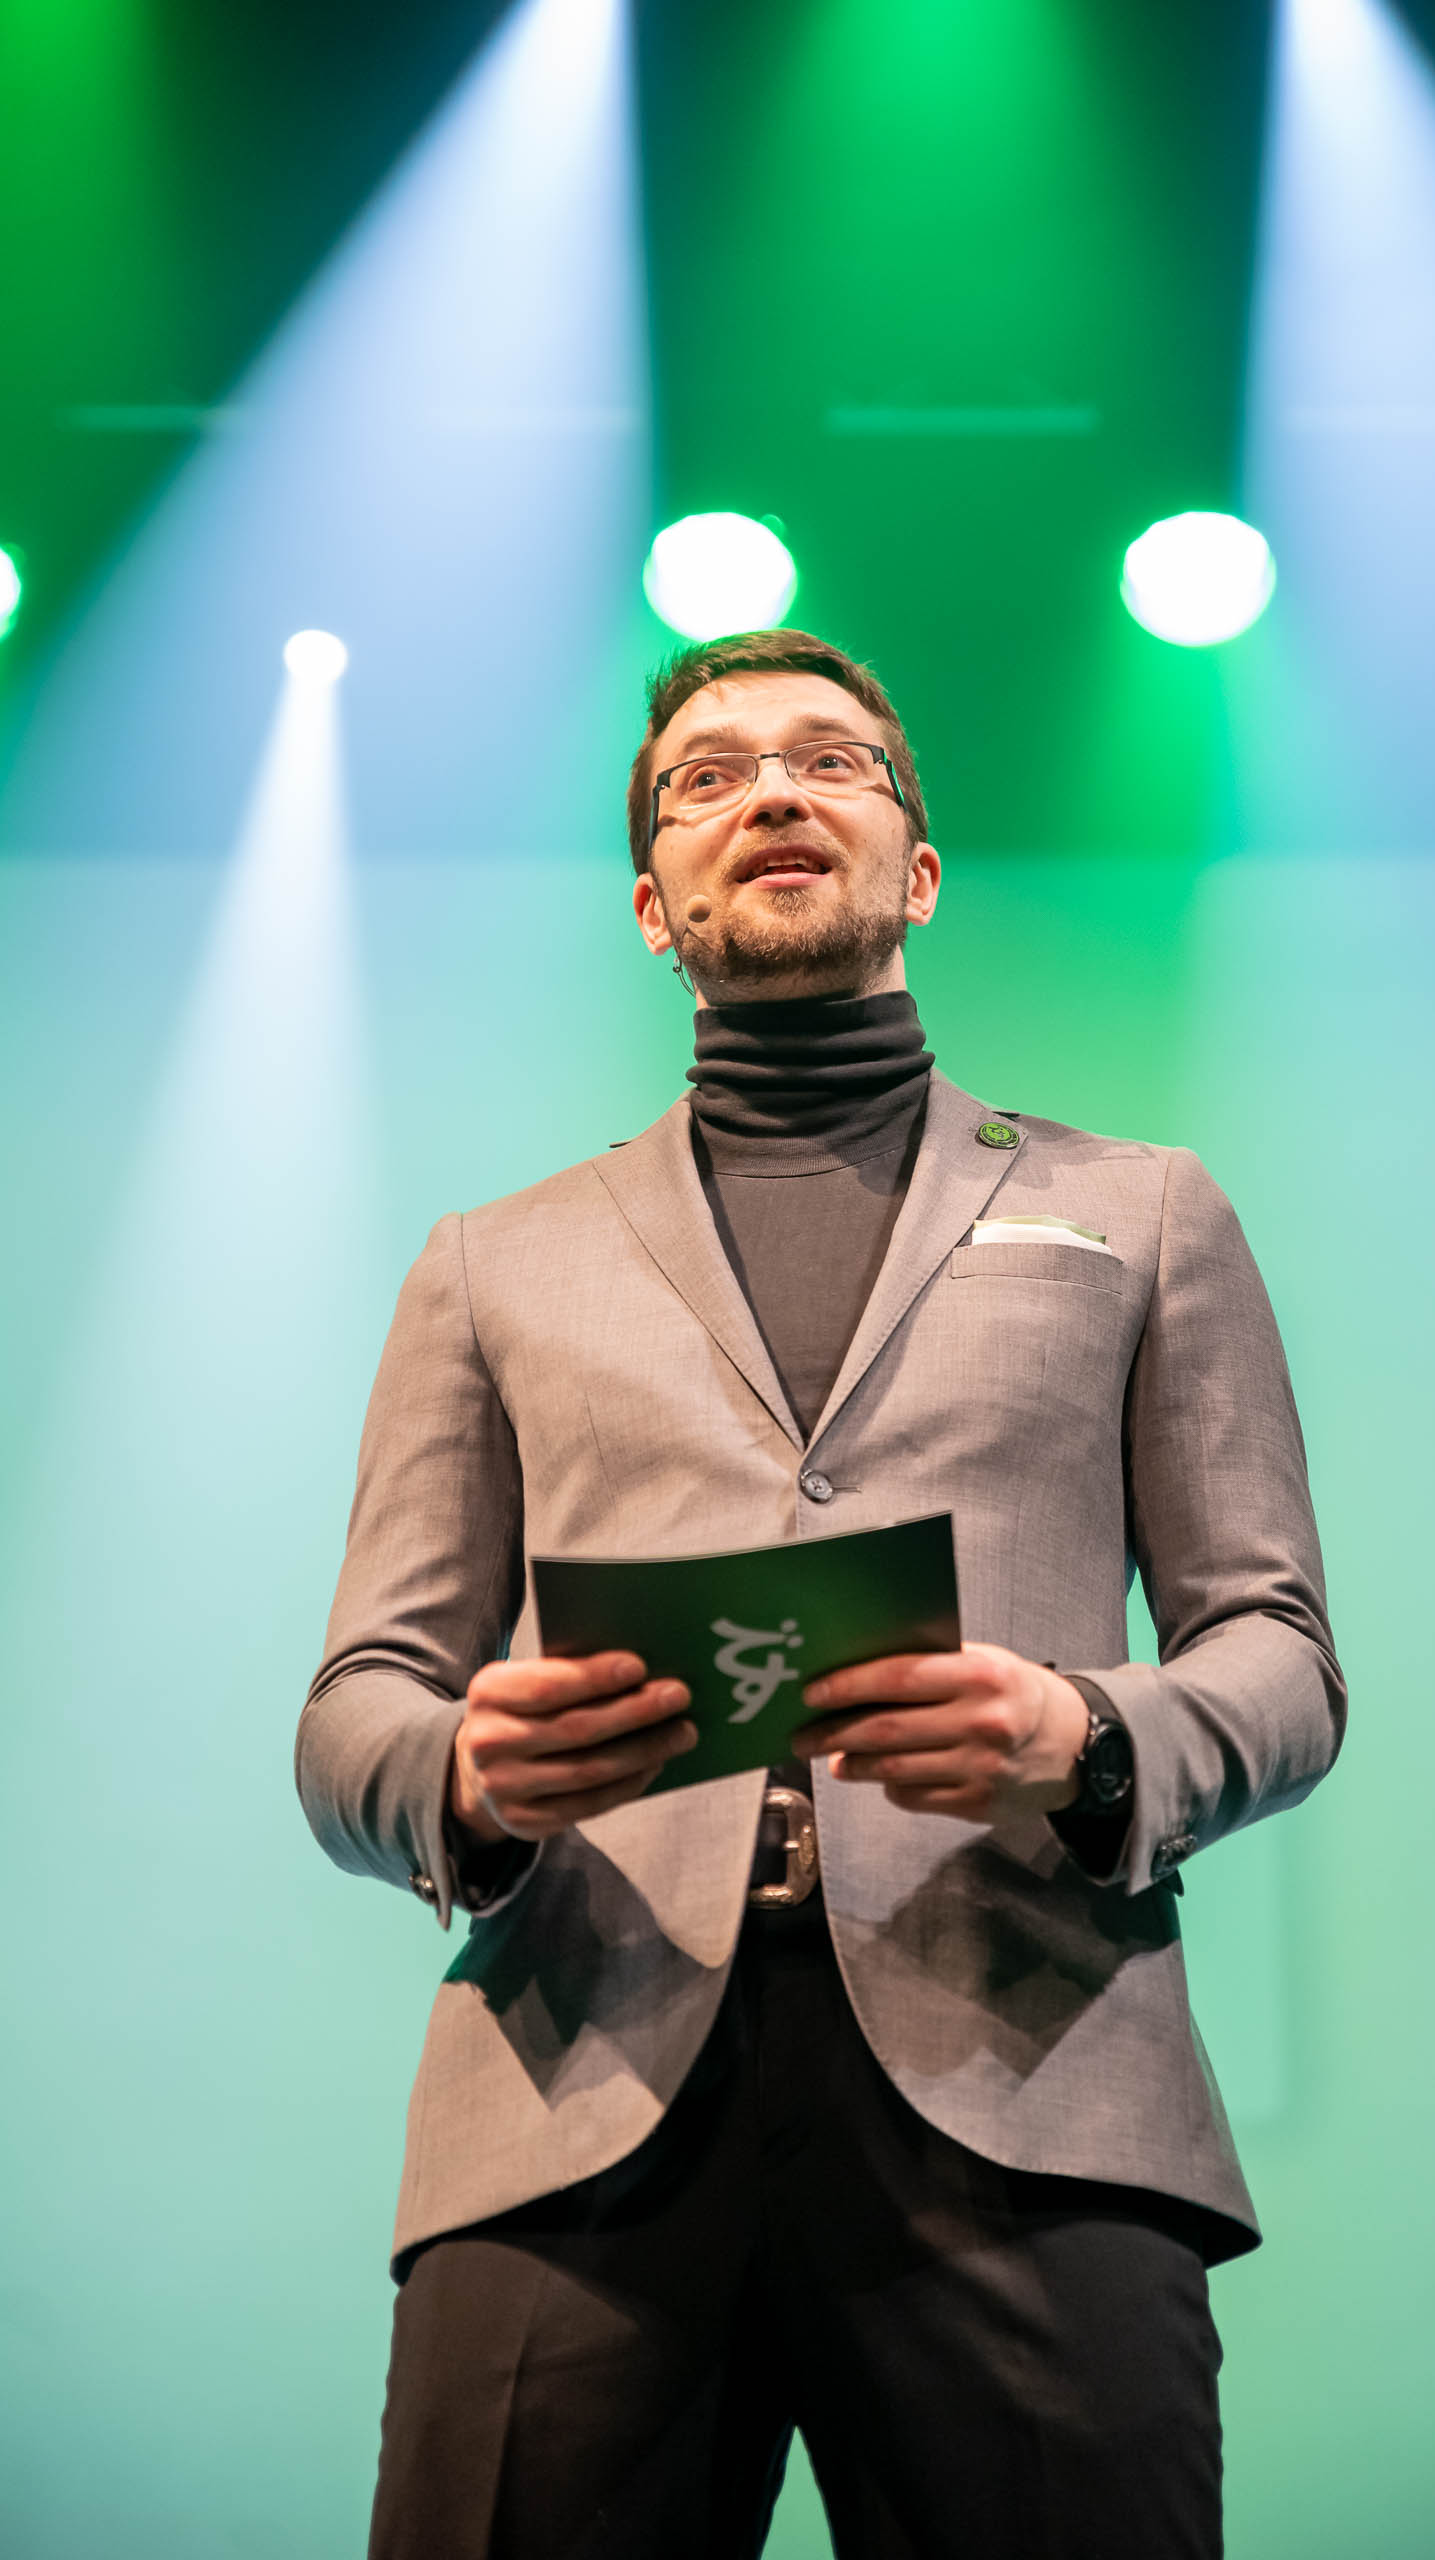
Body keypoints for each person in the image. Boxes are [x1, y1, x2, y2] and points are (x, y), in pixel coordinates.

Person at [297, 626, 1345, 2560]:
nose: (772, 790)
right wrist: (464, 1774)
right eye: (706, 779)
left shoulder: (1142, 1211)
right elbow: (358, 1698)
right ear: (651, 906)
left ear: (917, 872)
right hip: (579, 2082)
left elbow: (1278, 1657)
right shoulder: (489, 1262)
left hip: (1033, 2068)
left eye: (830, 761)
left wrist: (1087, 1735)